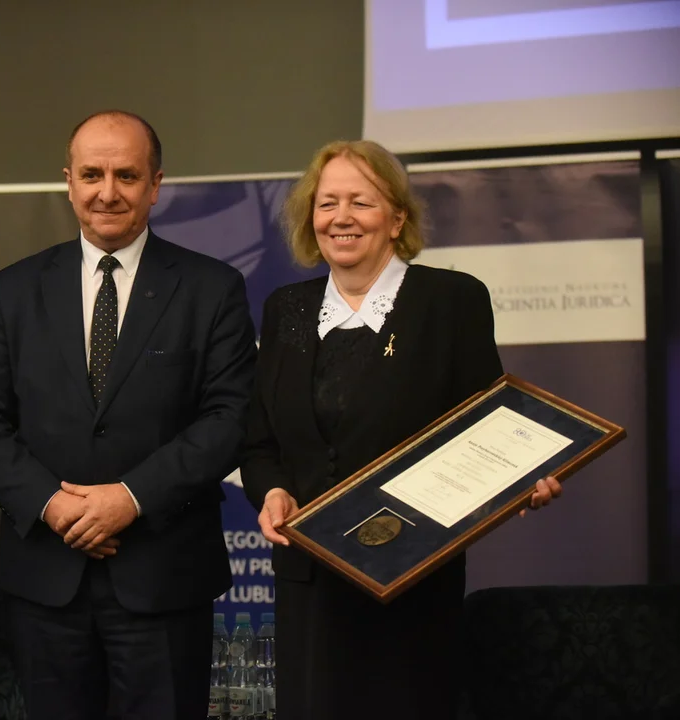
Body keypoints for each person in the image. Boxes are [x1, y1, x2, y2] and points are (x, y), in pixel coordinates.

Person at [239, 139, 562, 719]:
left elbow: (492, 429)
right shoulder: (285, 308)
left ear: (397, 219)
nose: (341, 217)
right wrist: (272, 490)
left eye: (360, 202)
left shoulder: (451, 300)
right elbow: (260, 442)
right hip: (309, 582)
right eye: (327, 203)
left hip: (412, 577)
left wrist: (524, 476)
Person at [0, 110, 257, 720]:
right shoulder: (15, 288)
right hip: (46, 578)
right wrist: (52, 503)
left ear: (155, 184)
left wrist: (131, 497)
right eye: (92, 174)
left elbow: (231, 418)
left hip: (165, 577)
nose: (107, 192)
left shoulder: (211, 288)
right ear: (68, 182)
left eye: (127, 175)